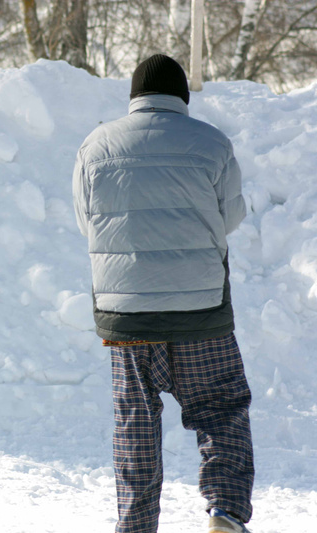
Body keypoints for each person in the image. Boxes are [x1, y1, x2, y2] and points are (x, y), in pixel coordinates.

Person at [72, 54, 254, 533]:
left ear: (135, 96)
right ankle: (225, 511)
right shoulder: (213, 142)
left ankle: (135, 525)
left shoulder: (95, 145)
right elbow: (230, 217)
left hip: (127, 312)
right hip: (200, 309)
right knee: (220, 408)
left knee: (135, 421)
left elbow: (87, 221)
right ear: (182, 97)